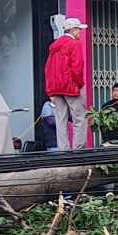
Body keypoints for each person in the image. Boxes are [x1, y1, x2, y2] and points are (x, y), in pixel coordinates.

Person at [44, 17, 88, 150]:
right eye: (79, 29)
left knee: (60, 119)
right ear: (73, 30)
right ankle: (78, 149)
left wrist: (50, 90)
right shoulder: (75, 44)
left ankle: (63, 149)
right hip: (71, 86)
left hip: (56, 88)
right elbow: (77, 66)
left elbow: (47, 68)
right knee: (80, 118)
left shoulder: (54, 46)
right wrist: (80, 84)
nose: (80, 32)